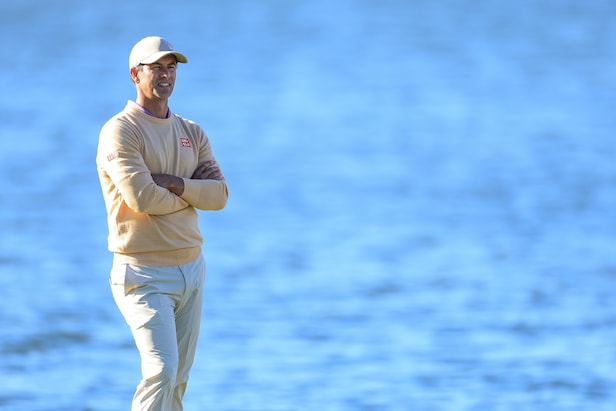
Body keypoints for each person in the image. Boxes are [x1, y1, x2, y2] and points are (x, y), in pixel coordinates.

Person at [96, 36, 228, 411]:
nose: (166, 74)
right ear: (135, 75)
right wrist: (192, 194)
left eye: (171, 67)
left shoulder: (192, 132)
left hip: (192, 268)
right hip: (142, 272)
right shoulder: (120, 131)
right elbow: (142, 198)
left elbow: (219, 195)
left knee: (179, 380)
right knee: (162, 371)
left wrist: (174, 183)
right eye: (156, 67)